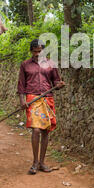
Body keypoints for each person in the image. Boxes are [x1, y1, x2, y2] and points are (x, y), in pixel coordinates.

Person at [17, 39, 65, 175]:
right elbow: (21, 85)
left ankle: (42, 162)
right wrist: (22, 101)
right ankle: (34, 162)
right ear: (31, 51)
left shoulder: (51, 64)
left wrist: (60, 85)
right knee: (36, 130)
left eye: (40, 51)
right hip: (32, 100)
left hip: (47, 99)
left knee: (45, 131)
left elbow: (56, 82)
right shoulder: (25, 65)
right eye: (35, 51)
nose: (38, 54)